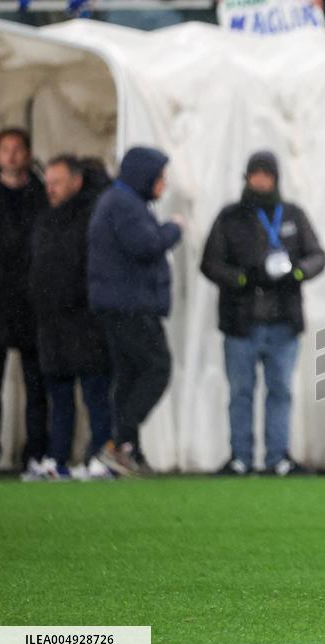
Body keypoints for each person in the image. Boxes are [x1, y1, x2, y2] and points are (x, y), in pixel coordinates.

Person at [201, 150, 325, 476]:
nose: (260, 181)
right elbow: (210, 262)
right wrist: (242, 278)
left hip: (283, 321)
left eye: (266, 175)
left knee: (281, 391)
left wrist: (296, 272)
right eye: (255, 175)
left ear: (275, 179)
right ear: (246, 178)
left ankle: (277, 458)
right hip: (240, 322)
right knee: (240, 392)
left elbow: (318, 256)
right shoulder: (229, 217)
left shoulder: (293, 215)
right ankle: (240, 457)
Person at [88, 146, 183, 477]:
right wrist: (174, 228)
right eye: (160, 177)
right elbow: (146, 245)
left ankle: (128, 449)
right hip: (130, 306)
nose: (164, 184)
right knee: (157, 368)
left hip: (120, 304)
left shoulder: (121, 201)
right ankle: (122, 443)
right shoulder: (124, 204)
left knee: (129, 375)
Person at [28, 155, 114, 481]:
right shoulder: (46, 218)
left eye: (57, 182)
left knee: (96, 394)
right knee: (59, 397)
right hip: (51, 325)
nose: (50, 189)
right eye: (48, 182)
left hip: (86, 322)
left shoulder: (93, 215)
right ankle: (58, 459)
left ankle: (100, 458)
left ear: (76, 181)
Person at [0, 127, 49, 475]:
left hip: (31, 302)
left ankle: (36, 454)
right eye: (5, 149)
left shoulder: (41, 194)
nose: (10, 155)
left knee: (37, 386)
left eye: (16, 149)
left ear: (27, 153)